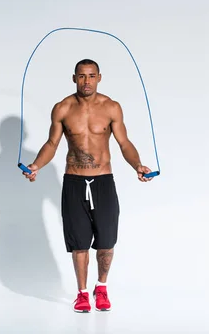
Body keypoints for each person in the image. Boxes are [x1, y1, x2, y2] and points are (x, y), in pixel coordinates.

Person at [22, 58, 153, 312]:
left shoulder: (111, 107)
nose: (86, 81)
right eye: (81, 76)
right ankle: (82, 293)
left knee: (106, 241)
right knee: (79, 241)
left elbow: (124, 143)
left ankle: (101, 287)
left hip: (103, 181)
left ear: (99, 77)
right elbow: (52, 144)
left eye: (91, 76)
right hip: (74, 181)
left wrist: (137, 165)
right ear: (74, 78)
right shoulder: (62, 108)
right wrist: (37, 165)